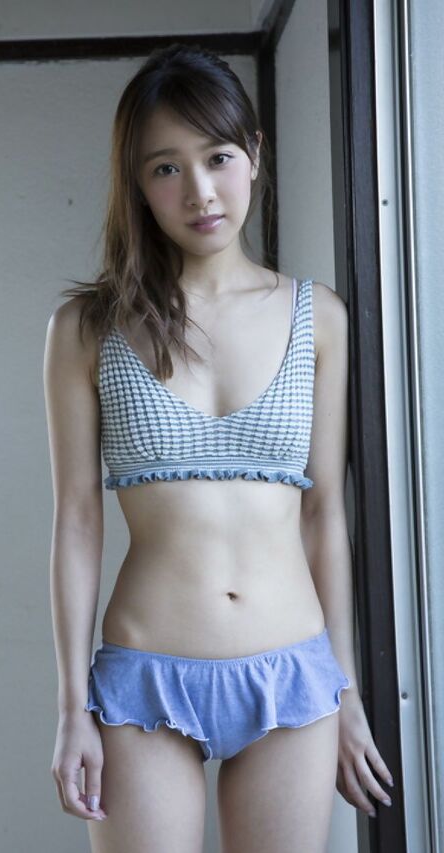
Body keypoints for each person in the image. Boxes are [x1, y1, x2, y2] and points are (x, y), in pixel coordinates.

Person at [43, 42, 394, 853]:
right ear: (137, 184)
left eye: (218, 157)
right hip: (143, 681)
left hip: (292, 677)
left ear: (254, 154)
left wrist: (344, 689)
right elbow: (76, 520)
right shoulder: (86, 328)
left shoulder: (319, 318)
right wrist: (70, 707)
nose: (199, 191)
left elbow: (325, 512)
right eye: (165, 168)